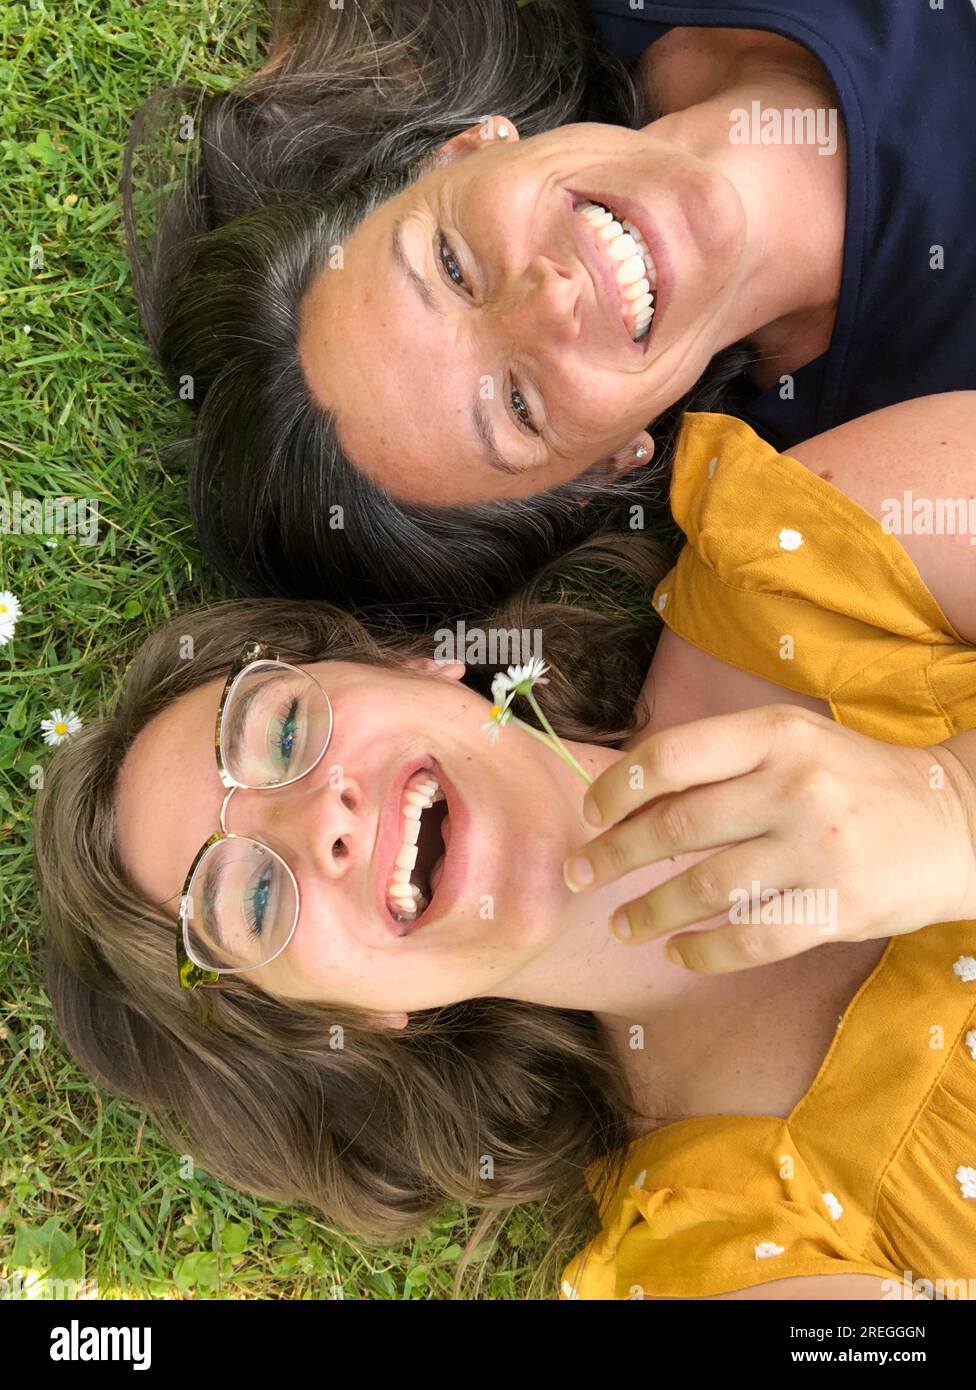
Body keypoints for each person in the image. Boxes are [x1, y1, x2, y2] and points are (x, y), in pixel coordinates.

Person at [34, 392, 976, 1297]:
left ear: (416, 662)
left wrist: (955, 806)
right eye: (251, 902)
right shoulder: (724, 1249)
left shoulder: (804, 558)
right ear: (354, 1015)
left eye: (279, 734)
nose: (317, 822)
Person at [123, 0, 976, 618]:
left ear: (462, 150)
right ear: (611, 464)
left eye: (452, 267)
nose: (552, 299)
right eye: (519, 407)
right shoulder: (908, 467)